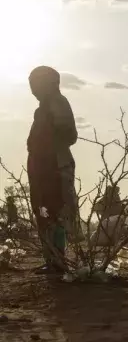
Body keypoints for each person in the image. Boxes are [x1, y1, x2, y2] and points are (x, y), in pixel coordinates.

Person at [27, 66, 80, 273]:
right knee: (43, 211)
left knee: (55, 210)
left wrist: (46, 146)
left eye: (36, 82)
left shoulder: (58, 102)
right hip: (42, 169)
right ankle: (51, 259)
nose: (32, 87)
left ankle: (57, 259)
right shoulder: (42, 108)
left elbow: (69, 135)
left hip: (54, 167)